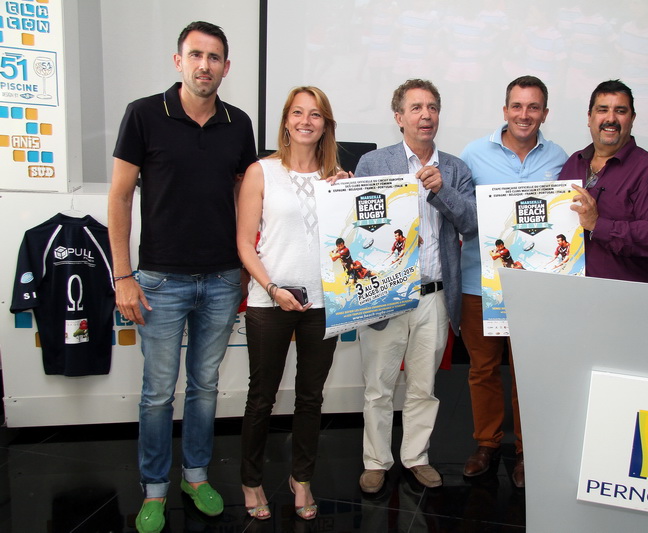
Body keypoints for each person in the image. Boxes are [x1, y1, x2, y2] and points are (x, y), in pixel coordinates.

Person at [108, 21, 256, 533]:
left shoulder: (239, 123)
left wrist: (244, 267)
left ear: (226, 68)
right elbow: (120, 197)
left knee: (205, 387)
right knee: (156, 392)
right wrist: (122, 275)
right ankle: (154, 489)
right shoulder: (144, 114)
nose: (205, 66)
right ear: (179, 61)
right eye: (196, 55)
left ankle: (195, 477)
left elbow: (245, 200)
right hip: (159, 281)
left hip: (220, 279)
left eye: (215, 58)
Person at [355, 79, 477, 493]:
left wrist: (442, 191)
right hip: (386, 295)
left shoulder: (456, 168)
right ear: (399, 118)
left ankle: (416, 457)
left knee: (424, 386)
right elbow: (357, 227)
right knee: (379, 386)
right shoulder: (373, 164)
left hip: (436, 296)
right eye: (416, 108)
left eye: (432, 107)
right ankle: (375, 460)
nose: (426, 115)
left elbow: (472, 223)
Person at [237, 86, 350, 521]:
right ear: (286, 120)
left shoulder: (337, 177)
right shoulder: (260, 172)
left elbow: (351, 240)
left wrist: (352, 195)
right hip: (270, 302)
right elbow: (245, 244)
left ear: (326, 124)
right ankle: (250, 481)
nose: (306, 121)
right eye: (298, 113)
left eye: (316, 115)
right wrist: (271, 289)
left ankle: (301, 480)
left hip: (323, 304)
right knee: (261, 399)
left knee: (311, 398)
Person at [459, 75, 567, 488]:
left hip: (536, 287)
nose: (525, 114)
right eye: (517, 106)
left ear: (544, 113)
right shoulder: (472, 154)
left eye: (533, 107)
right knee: (483, 368)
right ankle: (487, 443)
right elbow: (461, 212)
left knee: (528, 370)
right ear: (505, 110)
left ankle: (526, 450)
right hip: (478, 282)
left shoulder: (559, 158)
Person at [560, 79, 648, 283]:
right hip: (572, 290)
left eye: (620, 111)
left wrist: (598, 225)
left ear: (632, 118)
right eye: (602, 110)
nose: (611, 118)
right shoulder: (574, 162)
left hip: (624, 299)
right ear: (589, 118)